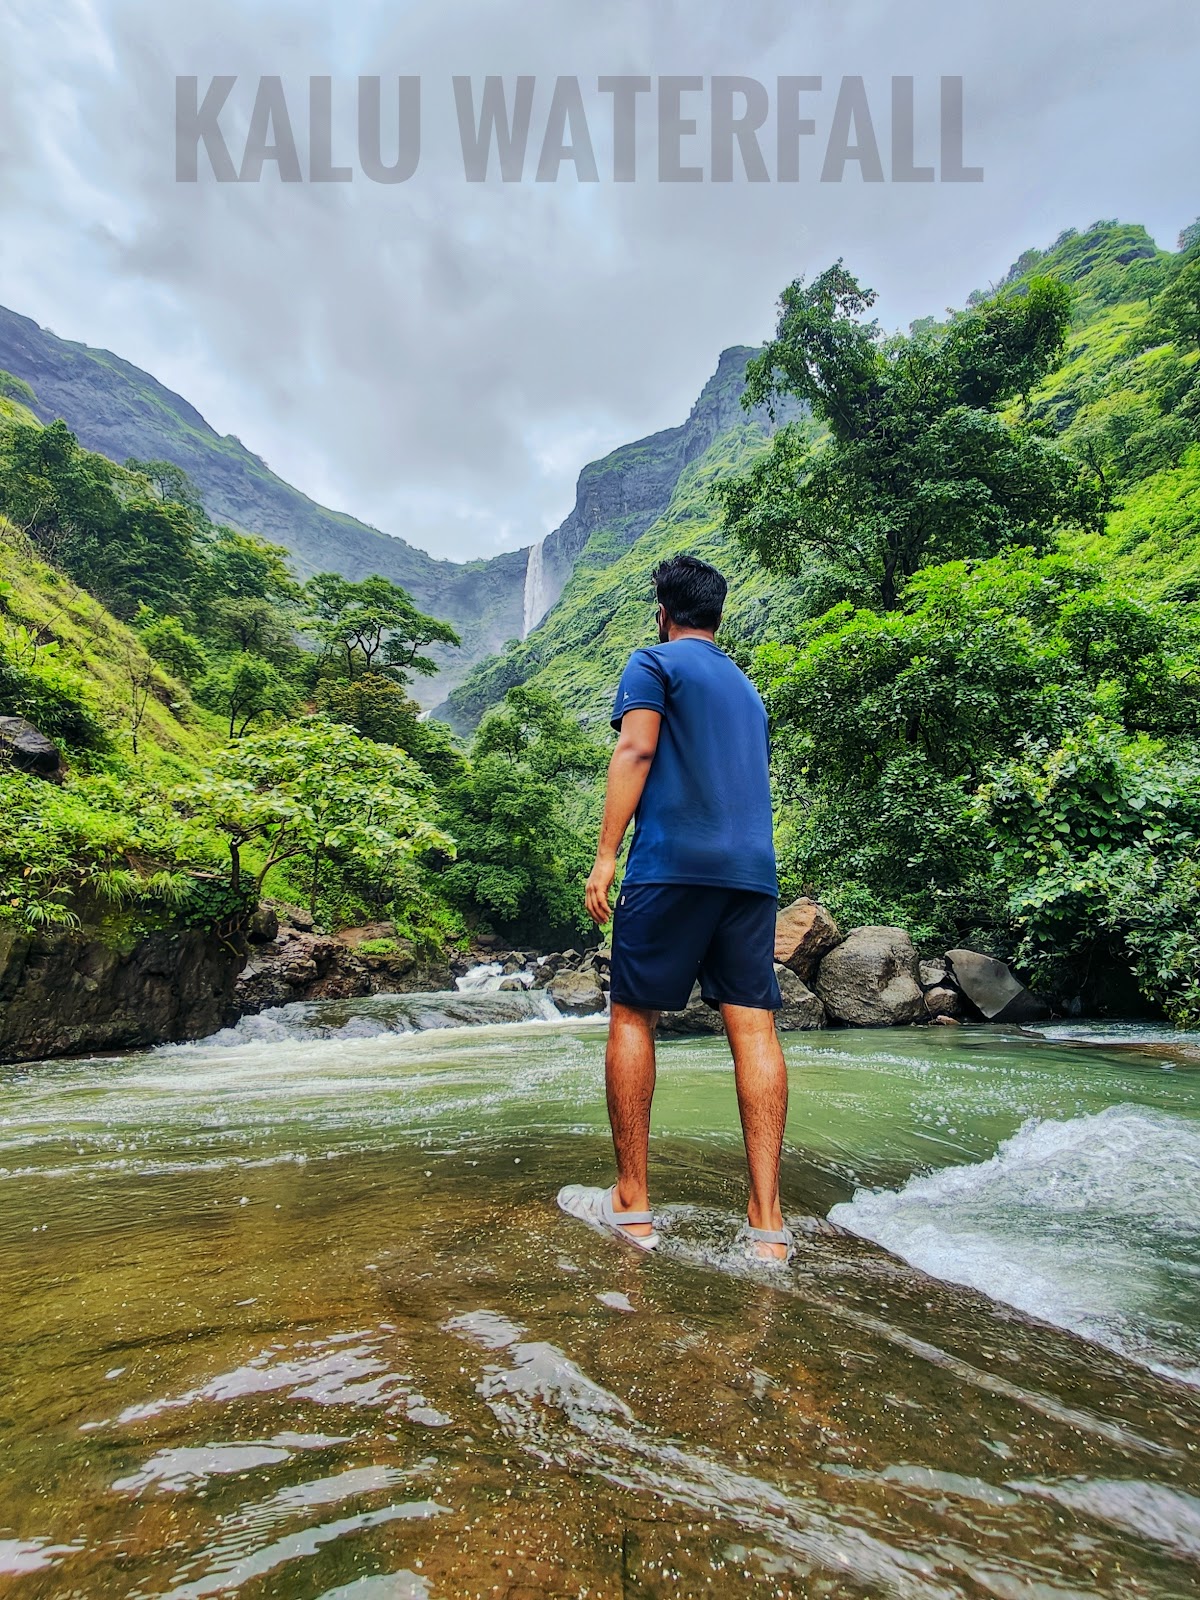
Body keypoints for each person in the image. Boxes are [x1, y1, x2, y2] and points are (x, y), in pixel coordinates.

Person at [557, 554, 791, 1262]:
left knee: (633, 1015)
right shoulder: (748, 689)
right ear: (719, 615)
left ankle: (631, 1205)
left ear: (663, 610)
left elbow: (635, 749)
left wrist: (606, 856)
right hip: (751, 876)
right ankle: (768, 1227)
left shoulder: (652, 663)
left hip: (671, 866)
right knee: (753, 1030)